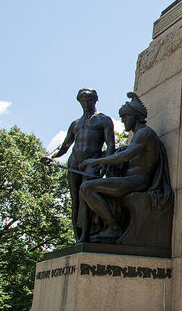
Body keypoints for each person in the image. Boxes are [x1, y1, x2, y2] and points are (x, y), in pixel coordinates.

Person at [78, 92, 170, 242]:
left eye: (125, 117)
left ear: (134, 116)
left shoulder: (144, 133)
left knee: (87, 187)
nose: (122, 120)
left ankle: (113, 227)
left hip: (137, 181)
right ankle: (104, 228)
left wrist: (93, 162)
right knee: (88, 188)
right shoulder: (138, 135)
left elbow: (124, 157)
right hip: (131, 179)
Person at [41, 88, 115, 243]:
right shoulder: (76, 124)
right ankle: (77, 236)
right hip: (74, 161)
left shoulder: (103, 120)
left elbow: (110, 145)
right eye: (83, 101)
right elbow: (64, 146)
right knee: (75, 201)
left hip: (92, 161)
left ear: (96, 100)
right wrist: (50, 156)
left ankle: (85, 236)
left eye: (89, 100)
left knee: (86, 198)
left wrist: (105, 165)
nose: (86, 103)